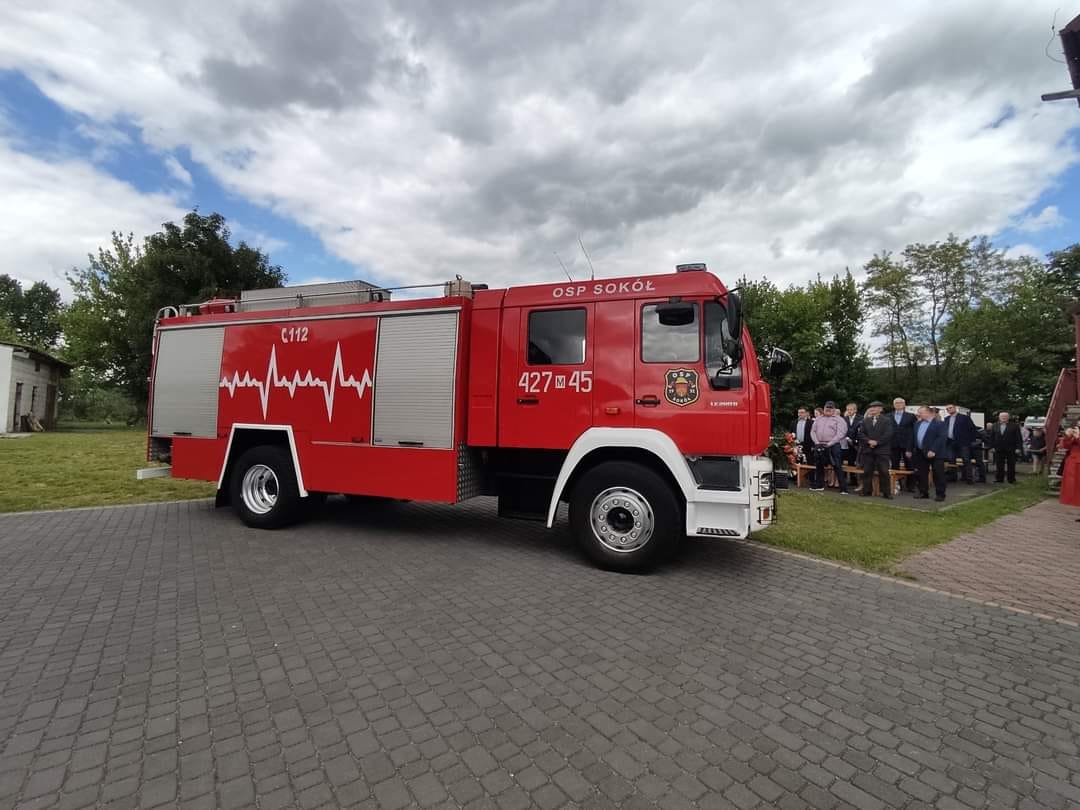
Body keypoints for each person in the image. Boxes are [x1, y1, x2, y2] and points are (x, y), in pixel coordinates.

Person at [810, 401, 849, 494]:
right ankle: (819, 485)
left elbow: (841, 433)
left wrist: (830, 443)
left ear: (834, 409)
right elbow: (813, 431)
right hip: (819, 444)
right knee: (819, 465)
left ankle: (843, 488)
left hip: (833, 445)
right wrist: (817, 442)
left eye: (830, 408)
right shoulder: (818, 418)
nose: (828, 409)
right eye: (827, 407)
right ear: (824, 408)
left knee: (837, 465)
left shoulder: (839, 419)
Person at [912, 406, 948, 501]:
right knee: (922, 473)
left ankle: (940, 494)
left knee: (938, 474)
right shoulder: (917, 423)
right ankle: (923, 492)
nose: (918, 414)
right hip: (920, 452)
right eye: (918, 412)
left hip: (936, 453)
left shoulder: (940, 424)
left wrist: (933, 450)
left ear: (928, 413)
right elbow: (914, 437)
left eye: (921, 412)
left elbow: (941, 438)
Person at [860, 401, 895, 498]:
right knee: (867, 471)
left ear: (880, 409)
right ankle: (866, 491)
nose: (872, 409)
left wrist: (877, 442)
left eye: (874, 407)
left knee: (884, 471)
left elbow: (888, 434)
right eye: (871, 407)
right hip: (868, 450)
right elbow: (861, 434)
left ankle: (886, 493)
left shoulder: (887, 420)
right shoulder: (866, 420)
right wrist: (869, 441)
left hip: (882, 450)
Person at [942, 404, 977, 484]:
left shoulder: (964, 418)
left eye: (950, 408)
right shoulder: (946, 419)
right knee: (951, 460)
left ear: (955, 408)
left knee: (966, 460)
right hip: (950, 442)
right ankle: (952, 477)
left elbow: (972, 429)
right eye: (947, 409)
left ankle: (969, 478)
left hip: (963, 442)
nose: (949, 409)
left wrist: (970, 441)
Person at [890, 398, 916, 492]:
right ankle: (897, 485)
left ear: (904, 404)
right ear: (893, 405)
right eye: (896, 403)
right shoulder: (888, 416)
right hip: (893, 445)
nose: (898, 404)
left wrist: (911, 446)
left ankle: (911, 486)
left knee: (910, 465)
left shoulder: (911, 416)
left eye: (900, 403)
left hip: (907, 445)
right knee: (894, 465)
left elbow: (914, 431)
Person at [990, 411, 1023, 484]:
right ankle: (999, 479)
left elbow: (1018, 438)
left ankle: (1011, 479)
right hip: (998, 448)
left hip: (1011, 448)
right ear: (999, 417)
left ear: (1008, 417)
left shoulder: (1014, 426)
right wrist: (992, 447)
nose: (1004, 418)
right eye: (1002, 416)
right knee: (999, 464)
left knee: (1011, 464)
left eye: (1005, 416)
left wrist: (1018, 448)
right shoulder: (994, 425)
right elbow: (992, 437)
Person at [1059, 423, 1080, 520]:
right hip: (1073, 463)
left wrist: (1078, 437)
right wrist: (1068, 436)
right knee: (1076, 488)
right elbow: (1065, 446)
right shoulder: (1074, 432)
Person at [791, 408, 814, 480]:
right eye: (799, 412)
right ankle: (796, 478)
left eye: (802, 412)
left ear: (806, 413)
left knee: (810, 462)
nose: (800, 414)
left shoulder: (811, 422)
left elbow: (814, 434)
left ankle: (811, 478)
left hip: (808, 445)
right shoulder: (794, 422)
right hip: (796, 445)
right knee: (797, 461)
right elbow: (791, 433)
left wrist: (813, 445)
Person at [842, 402, 862, 486]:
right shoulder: (844, 419)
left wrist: (854, 440)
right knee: (850, 462)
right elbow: (843, 429)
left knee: (859, 463)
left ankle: (860, 482)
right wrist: (847, 438)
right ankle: (852, 480)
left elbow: (861, 431)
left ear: (855, 410)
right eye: (848, 410)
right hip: (846, 444)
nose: (849, 411)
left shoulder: (861, 418)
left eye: (851, 409)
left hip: (858, 444)